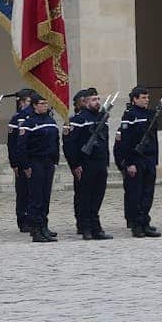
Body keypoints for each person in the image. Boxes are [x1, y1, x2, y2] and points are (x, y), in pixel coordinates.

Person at [63, 88, 113, 240]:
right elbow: (69, 144)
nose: (97, 102)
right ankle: (85, 227)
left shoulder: (101, 117)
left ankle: (96, 226)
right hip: (85, 164)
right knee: (85, 197)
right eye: (93, 99)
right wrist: (74, 164)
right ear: (85, 102)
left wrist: (106, 160)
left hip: (100, 163)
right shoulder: (78, 120)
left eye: (98, 99)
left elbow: (104, 141)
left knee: (98, 196)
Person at [113, 86, 161, 238]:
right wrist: (129, 163)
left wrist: (155, 160)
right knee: (135, 194)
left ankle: (145, 221)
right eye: (143, 98)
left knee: (148, 194)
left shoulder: (149, 114)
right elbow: (125, 142)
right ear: (134, 99)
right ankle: (136, 224)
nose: (146, 100)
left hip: (149, 159)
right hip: (136, 159)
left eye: (147, 97)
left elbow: (153, 139)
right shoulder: (130, 115)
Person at [18, 94, 60, 243]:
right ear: (34, 106)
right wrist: (26, 166)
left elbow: (56, 141)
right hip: (35, 162)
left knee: (45, 197)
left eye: (46, 103)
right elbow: (21, 147)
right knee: (36, 198)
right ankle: (35, 230)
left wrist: (55, 160)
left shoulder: (51, 121)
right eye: (41, 104)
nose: (44, 106)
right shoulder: (28, 123)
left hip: (48, 162)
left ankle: (44, 226)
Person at [7, 88, 37, 232]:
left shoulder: (35, 117)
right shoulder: (16, 118)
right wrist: (14, 163)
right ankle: (23, 219)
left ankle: (33, 219)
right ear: (22, 103)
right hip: (21, 161)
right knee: (23, 192)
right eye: (29, 102)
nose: (31, 105)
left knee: (34, 192)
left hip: (33, 159)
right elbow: (12, 143)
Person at [66, 90, 86, 234]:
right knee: (81, 195)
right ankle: (81, 222)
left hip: (93, 163)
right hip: (80, 162)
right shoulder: (73, 121)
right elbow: (69, 145)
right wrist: (74, 164)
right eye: (83, 101)